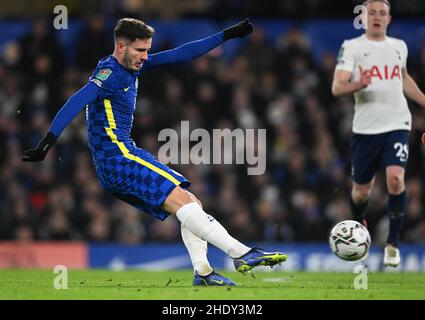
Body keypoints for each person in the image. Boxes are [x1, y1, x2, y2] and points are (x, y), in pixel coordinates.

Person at [22, 18, 287, 285]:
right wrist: (48, 141)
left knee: (191, 203)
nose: (145, 57)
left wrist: (228, 34)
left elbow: (181, 54)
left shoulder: (131, 66)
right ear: (121, 47)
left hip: (123, 157)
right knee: (185, 203)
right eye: (140, 51)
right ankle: (241, 253)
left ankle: (204, 272)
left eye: (148, 50)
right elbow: (76, 100)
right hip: (119, 158)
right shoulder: (110, 73)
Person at [332, 0, 425, 267]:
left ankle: (392, 243)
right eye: (371, 12)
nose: (376, 17)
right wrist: (359, 82)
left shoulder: (399, 47)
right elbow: (338, 87)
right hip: (365, 129)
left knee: (396, 179)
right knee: (361, 192)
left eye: (382, 13)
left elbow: (404, 78)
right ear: (363, 17)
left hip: (397, 124)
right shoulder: (352, 47)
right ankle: (358, 224)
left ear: (389, 18)